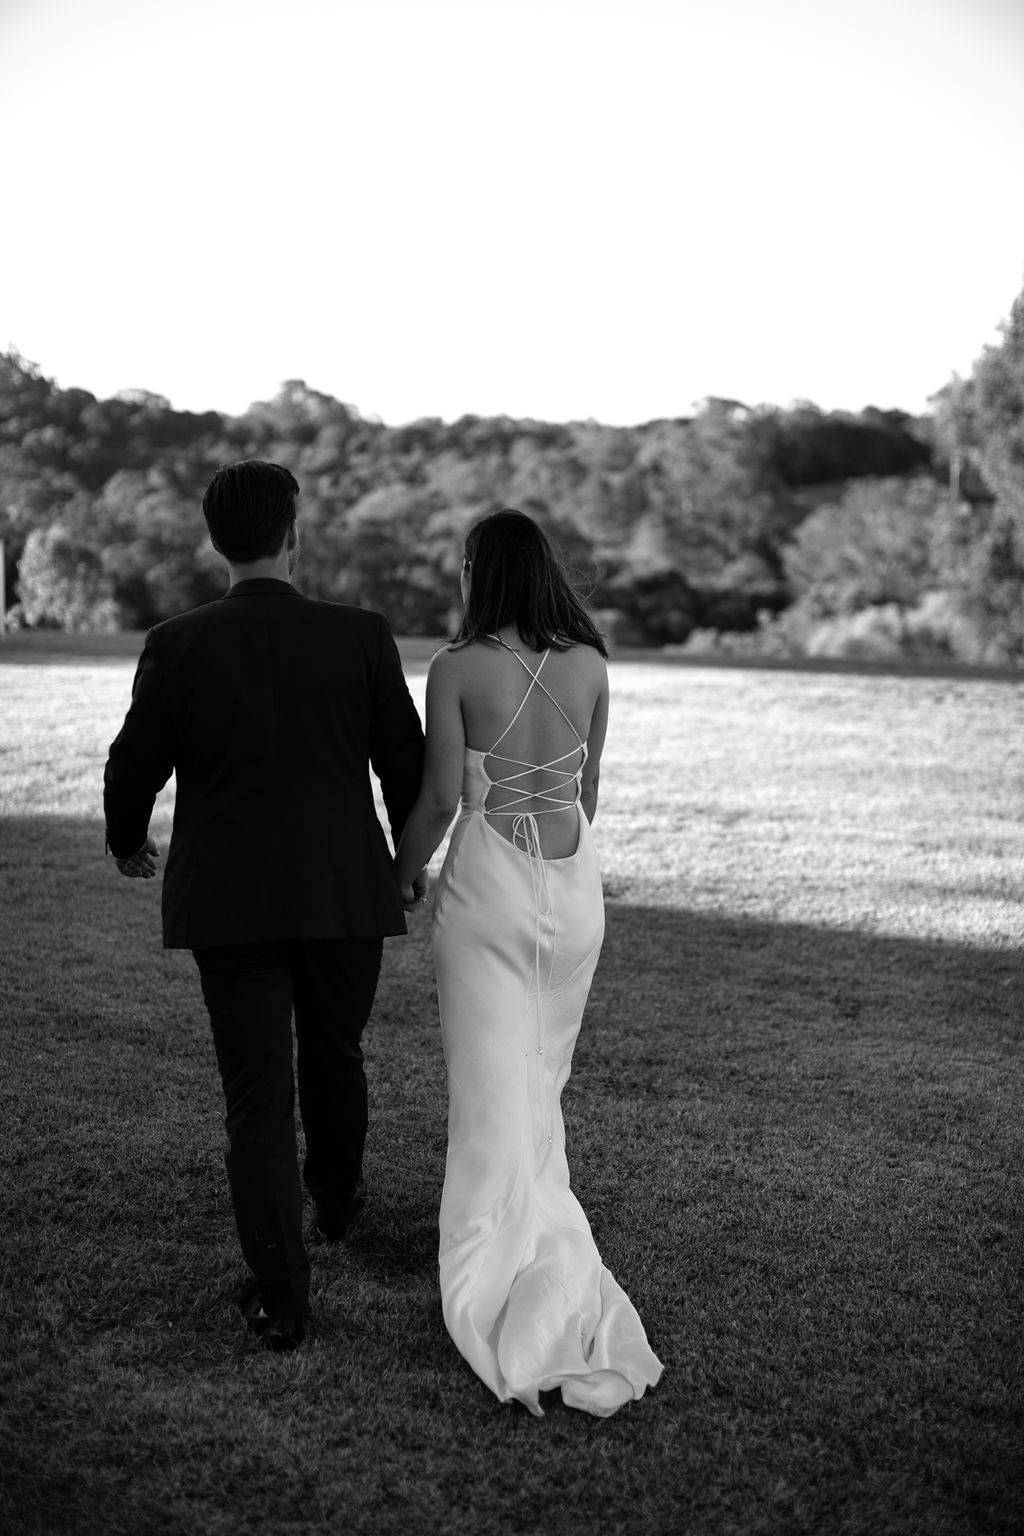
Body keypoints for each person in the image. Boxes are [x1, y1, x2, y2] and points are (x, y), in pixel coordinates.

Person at [103, 460, 425, 1352]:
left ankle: (283, 1296)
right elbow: (405, 760)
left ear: (217, 541)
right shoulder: (362, 635)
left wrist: (127, 840)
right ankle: (337, 1203)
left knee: (256, 1095)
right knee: (336, 1050)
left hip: (231, 898)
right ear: (294, 533)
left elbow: (133, 764)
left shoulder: (179, 641)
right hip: (343, 888)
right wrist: (405, 860)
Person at [394, 509, 663, 1418]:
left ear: (480, 572)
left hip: (491, 893)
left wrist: (401, 875)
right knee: (539, 1079)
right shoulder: (590, 665)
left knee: (489, 1087)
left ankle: (497, 1268)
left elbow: (439, 798)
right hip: (572, 888)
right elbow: (588, 793)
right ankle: (542, 1233)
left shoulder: (458, 668)